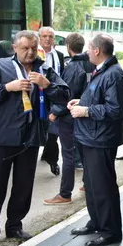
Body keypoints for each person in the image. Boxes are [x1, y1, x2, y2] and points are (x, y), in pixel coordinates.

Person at [0, 30, 70, 246]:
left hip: (30, 138)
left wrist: (47, 85)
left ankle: (15, 226)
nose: (30, 52)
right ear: (15, 48)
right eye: (25, 48)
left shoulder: (44, 70)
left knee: (23, 186)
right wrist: (6, 88)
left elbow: (65, 95)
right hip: (3, 137)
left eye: (33, 48)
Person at [68, 33, 123, 246]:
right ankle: (96, 222)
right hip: (91, 137)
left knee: (103, 187)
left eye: (89, 48)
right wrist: (81, 102)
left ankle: (110, 231)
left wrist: (86, 111)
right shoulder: (102, 70)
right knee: (92, 185)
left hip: (100, 139)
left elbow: (115, 110)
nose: (86, 52)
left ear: (97, 50)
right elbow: (98, 96)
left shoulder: (113, 74)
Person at [44, 33, 94, 205]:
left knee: (68, 155)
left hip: (69, 116)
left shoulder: (73, 67)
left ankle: (65, 194)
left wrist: (55, 112)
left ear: (68, 46)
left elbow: (67, 95)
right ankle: (87, 183)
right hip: (85, 113)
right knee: (83, 151)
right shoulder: (90, 63)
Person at [39, 26, 65, 176]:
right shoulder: (33, 53)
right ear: (39, 38)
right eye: (44, 36)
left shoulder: (59, 56)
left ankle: (53, 161)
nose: (47, 39)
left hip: (53, 95)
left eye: (50, 36)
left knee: (53, 130)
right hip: (37, 96)